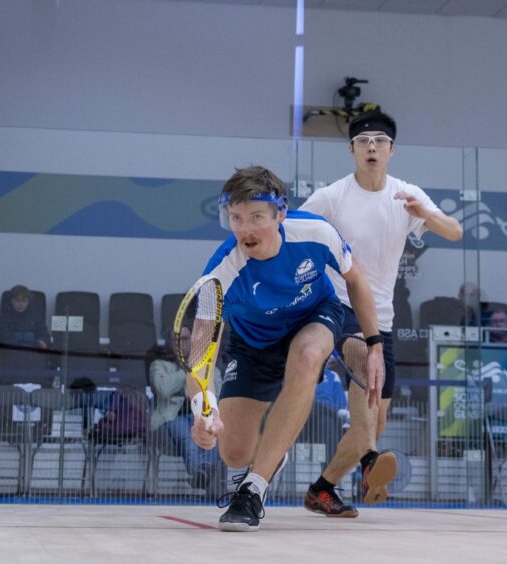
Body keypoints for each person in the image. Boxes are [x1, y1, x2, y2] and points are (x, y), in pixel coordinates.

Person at [190, 165, 384, 532]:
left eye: (256, 217)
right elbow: (200, 355)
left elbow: (356, 279)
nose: (245, 228)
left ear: (280, 214)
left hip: (314, 317)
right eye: (236, 218)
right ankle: (271, 455)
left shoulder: (315, 233)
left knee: (308, 355)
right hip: (252, 346)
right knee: (233, 452)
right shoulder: (220, 273)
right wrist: (203, 408)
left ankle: (253, 490)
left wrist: (374, 344)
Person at [299, 110, 462, 517]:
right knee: (361, 364)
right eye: (363, 141)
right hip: (337, 306)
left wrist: (424, 214)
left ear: (392, 150)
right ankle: (371, 459)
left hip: (382, 316)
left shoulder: (405, 194)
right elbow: (294, 231)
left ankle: (323, 489)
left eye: (379, 141)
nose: (372, 146)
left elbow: (455, 231)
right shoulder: (331, 196)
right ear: (352, 150)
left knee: (375, 417)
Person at [148, 326, 222, 494]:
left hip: (199, 416)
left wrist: (196, 368)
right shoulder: (159, 365)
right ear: (171, 344)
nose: (181, 344)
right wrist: (186, 370)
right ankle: (198, 475)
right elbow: (164, 389)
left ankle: (203, 471)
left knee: (217, 435)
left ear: (194, 341)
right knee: (188, 436)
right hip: (171, 419)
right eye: (177, 340)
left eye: (185, 339)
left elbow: (216, 393)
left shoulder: (208, 367)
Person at [0, 285, 50, 350]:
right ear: (11, 301)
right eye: (17, 300)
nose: (21, 304)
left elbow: (45, 336)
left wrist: (42, 342)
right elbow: (4, 339)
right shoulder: (2, 318)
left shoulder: (36, 317)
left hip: (33, 354)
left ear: (28, 302)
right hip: (10, 353)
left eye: (24, 301)